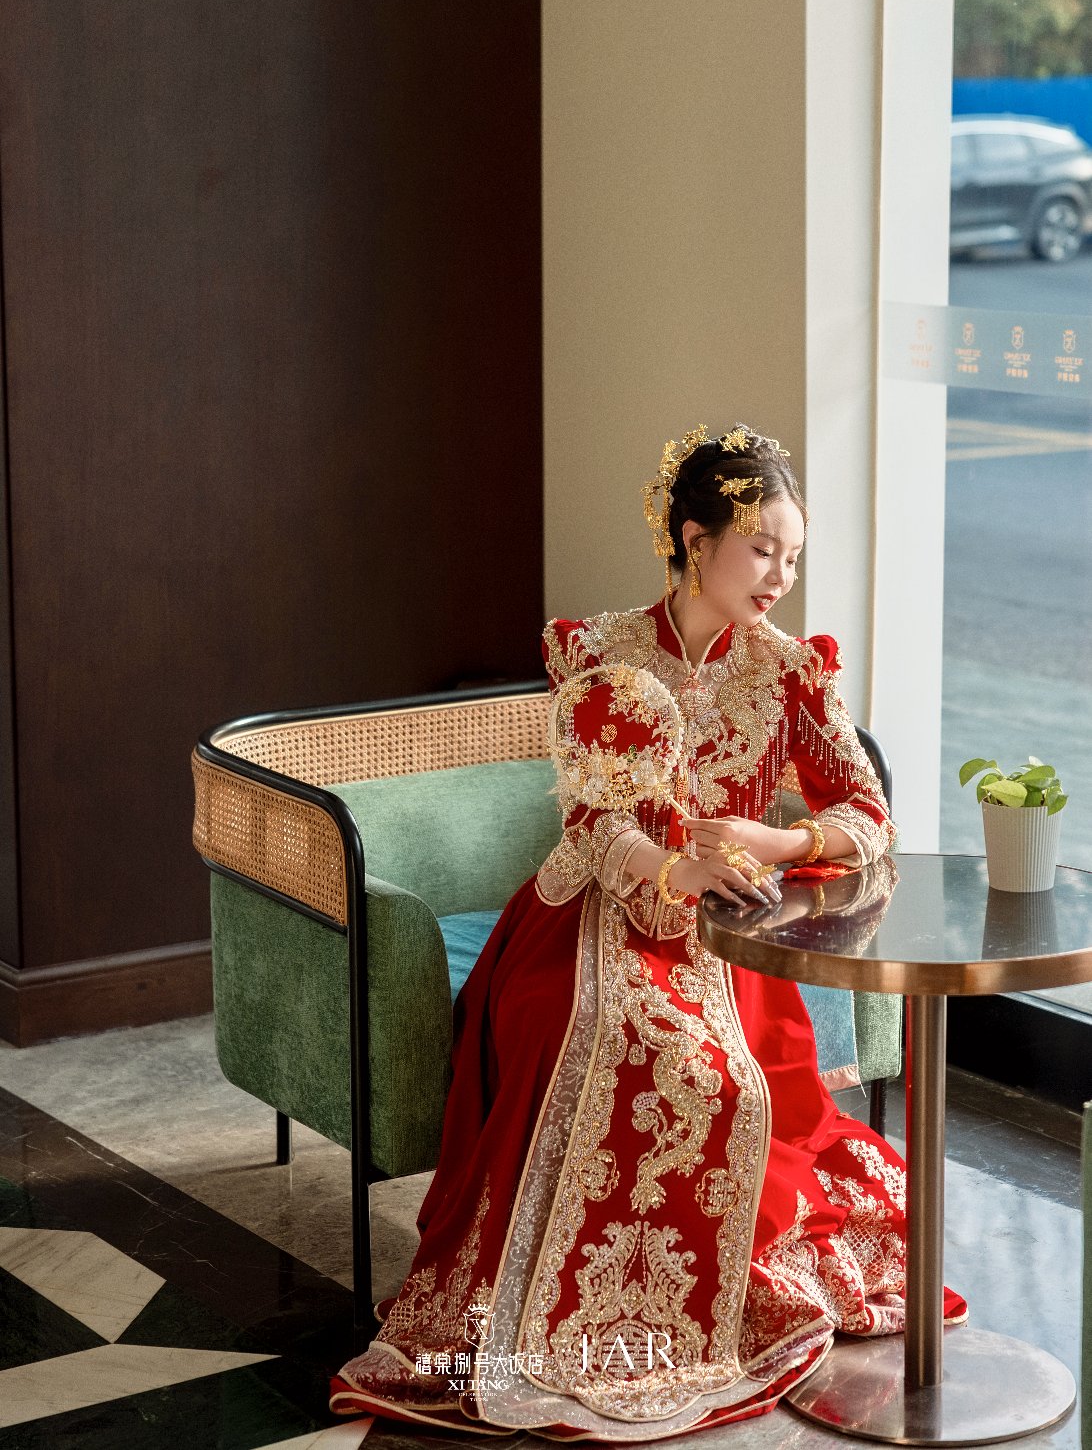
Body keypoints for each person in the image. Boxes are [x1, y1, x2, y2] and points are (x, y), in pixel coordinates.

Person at [330, 423, 965, 1438]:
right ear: (693, 540)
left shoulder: (791, 671)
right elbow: (594, 822)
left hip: (728, 939)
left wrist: (773, 837)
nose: (781, 577)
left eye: (794, 557)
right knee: (578, 1032)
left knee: (718, 1077)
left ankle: (689, 1305)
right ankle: (548, 1305)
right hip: (589, 910)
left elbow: (868, 817)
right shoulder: (598, 652)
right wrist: (675, 867)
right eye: (763, 550)